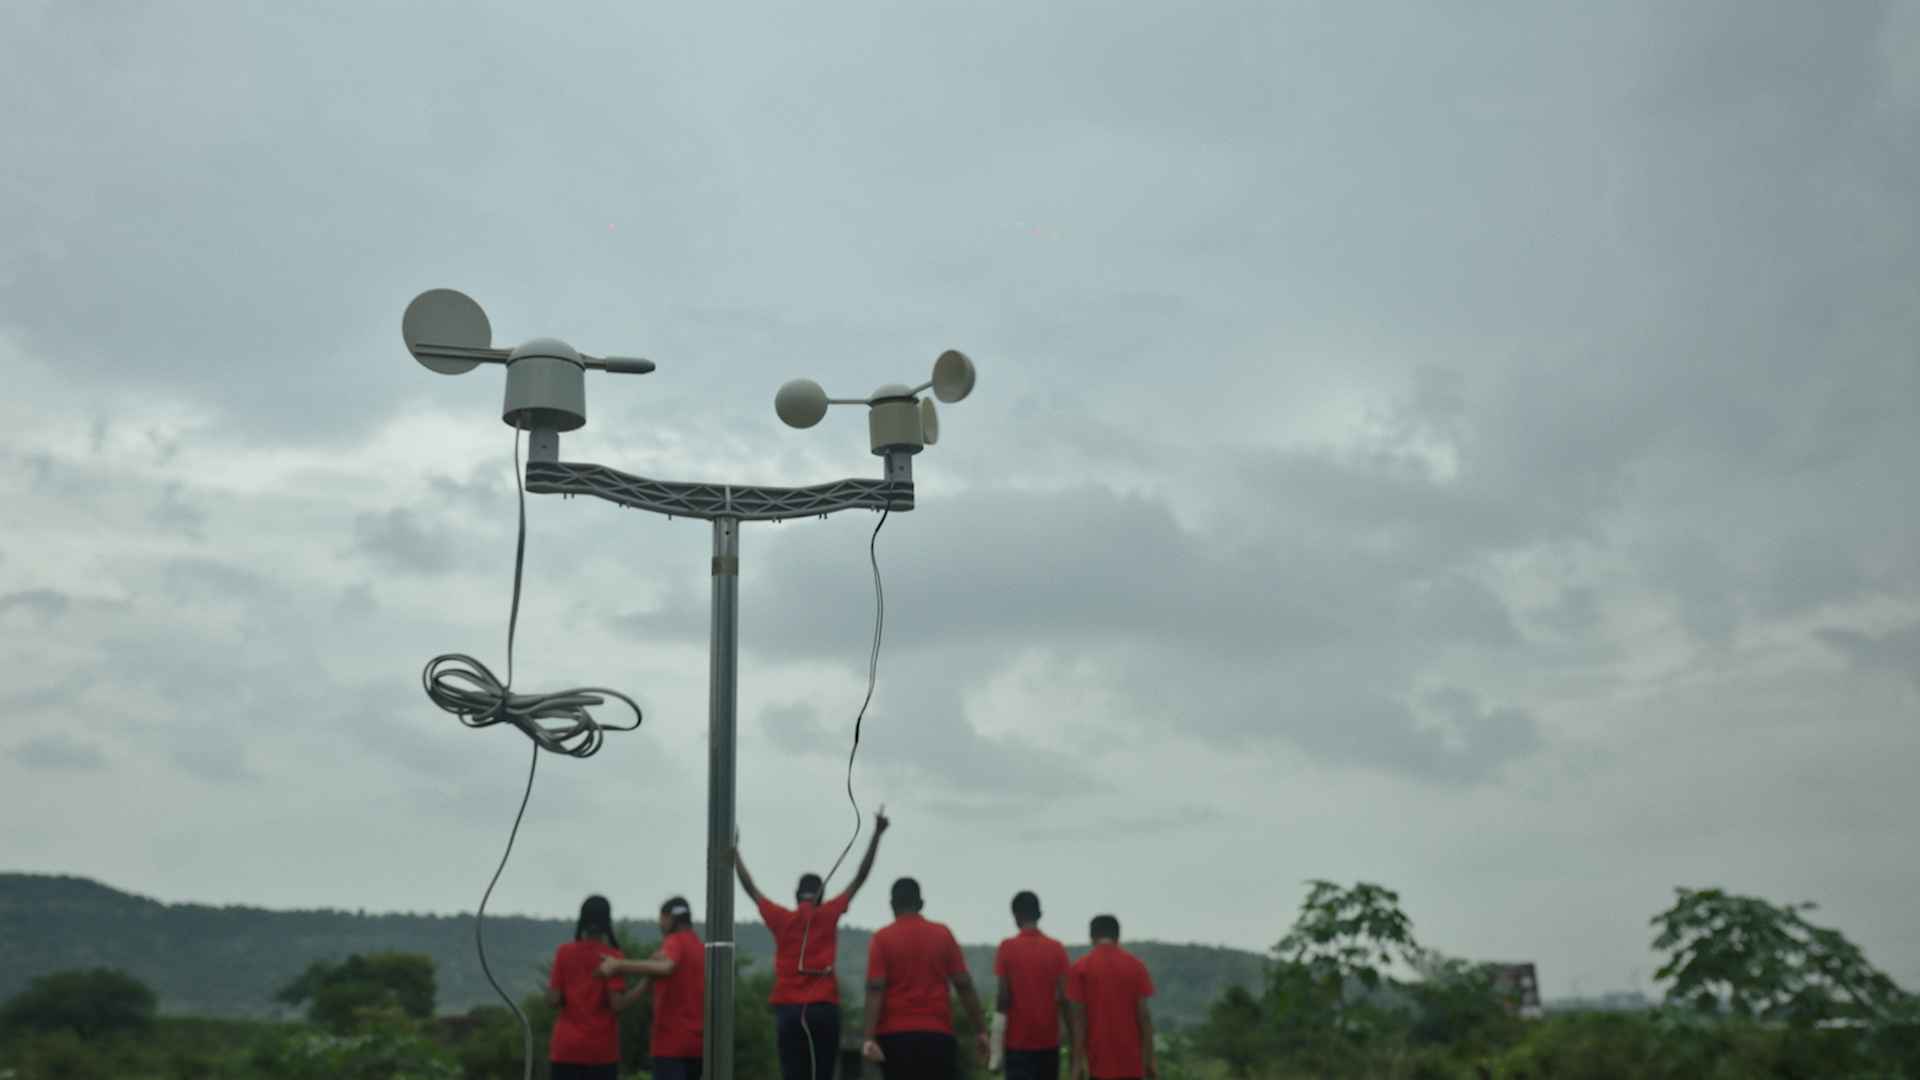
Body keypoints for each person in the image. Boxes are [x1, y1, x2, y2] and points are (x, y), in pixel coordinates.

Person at [735, 808, 891, 1080]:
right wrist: (877, 834)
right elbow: (860, 877)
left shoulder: (781, 918)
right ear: (821, 896)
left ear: (797, 896)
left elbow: (752, 890)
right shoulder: (828, 914)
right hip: (823, 1009)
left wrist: (735, 854)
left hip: (789, 1012)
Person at [861, 877, 990, 1080]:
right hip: (937, 1036)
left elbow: (875, 988)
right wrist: (981, 1030)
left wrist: (868, 1038)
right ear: (921, 904)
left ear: (892, 905)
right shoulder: (942, 934)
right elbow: (963, 984)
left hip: (895, 1039)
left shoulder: (882, 938)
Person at [598, 897, 706, 1080]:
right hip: (697, 1045)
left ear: (669, 918)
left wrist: (618, 965)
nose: (660, 924)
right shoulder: (699, 946)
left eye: (661, 919)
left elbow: (667, 967)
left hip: (671, 1045)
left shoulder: (675, 941)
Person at [547, 895, 647, 1080]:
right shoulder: (612, 957)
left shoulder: (564, 952)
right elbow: (617, 1005)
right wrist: (645, 984)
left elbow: (553, 999)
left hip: (566, 1049)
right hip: (601, 1051)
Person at [994, 890, 1072, 1080]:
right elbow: (1064, 997)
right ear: (1040, 914)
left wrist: (996, 1043)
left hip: (1017, 1043)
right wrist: (1074, 1037)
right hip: (1049, 1042)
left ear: (1015, 916)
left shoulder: (1007, 947)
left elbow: (1003, 997)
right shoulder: (1056, 948)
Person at [1067, 914, 1155, 1080]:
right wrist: (1149, 1060)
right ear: (1118, 936)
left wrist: (1077, 1064)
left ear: (1092, 936)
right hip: (1132, 1064)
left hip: (1098, 1063)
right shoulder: (1136, 966)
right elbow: (1144, 1017)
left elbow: (1079, 1020)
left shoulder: (1081, 968)